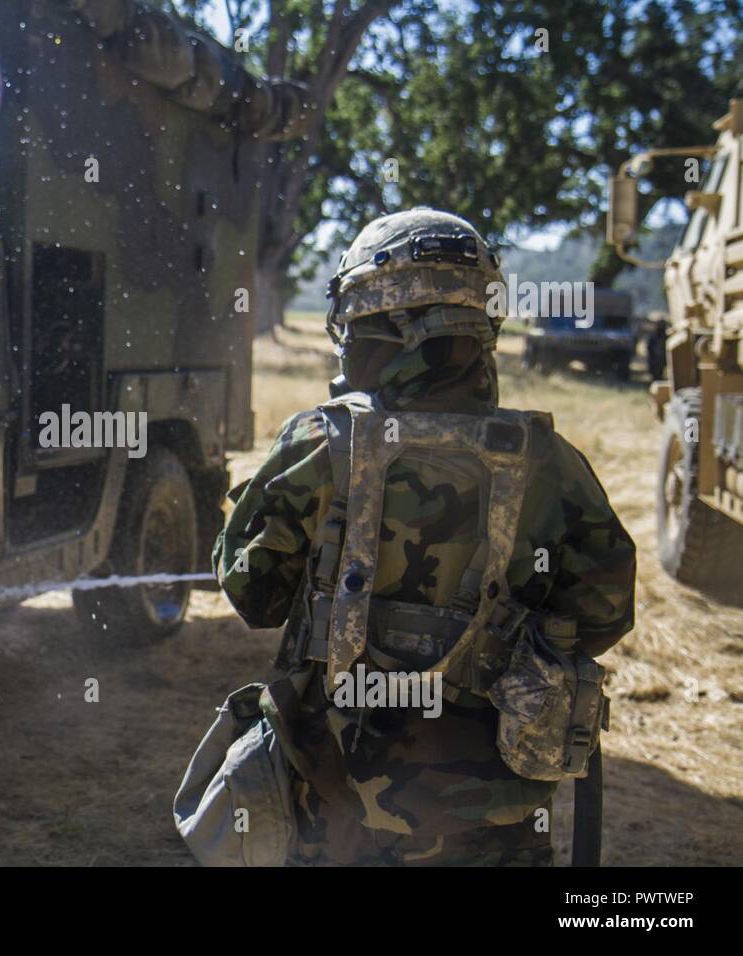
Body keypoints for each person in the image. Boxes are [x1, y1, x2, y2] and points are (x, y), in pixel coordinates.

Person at [213, 209, 636, 865]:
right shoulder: (550, 462)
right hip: (496, 823)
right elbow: (607, 612)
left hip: (333, 813)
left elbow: (253, 597)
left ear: (384, 323)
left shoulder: (316, 444)